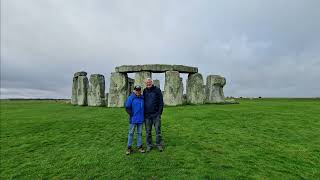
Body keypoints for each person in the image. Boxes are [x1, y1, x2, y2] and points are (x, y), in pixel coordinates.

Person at [143, 78, 164, 152]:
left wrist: (159, 112)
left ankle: (159, 144)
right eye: (147, 82)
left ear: (152, 82)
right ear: (146, 83)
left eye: (149, 82)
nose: (148, 83)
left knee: (158, 130)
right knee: (148, 131)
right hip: (147, 115)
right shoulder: (144, 91)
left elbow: (161, 102)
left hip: (156, 114)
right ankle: (149, 145)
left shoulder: (157, 90)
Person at [125, 85, 145, 155]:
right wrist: (131, 114)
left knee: (139, 133)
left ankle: (139, 146)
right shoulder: (131, 97)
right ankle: (129, 147)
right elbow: (127, 107)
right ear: (134, 90)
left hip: (141, 119)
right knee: (131, 133)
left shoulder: (142, 98)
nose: (138, 91)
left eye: (139, 90)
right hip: (133, 119)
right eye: (137, 90)